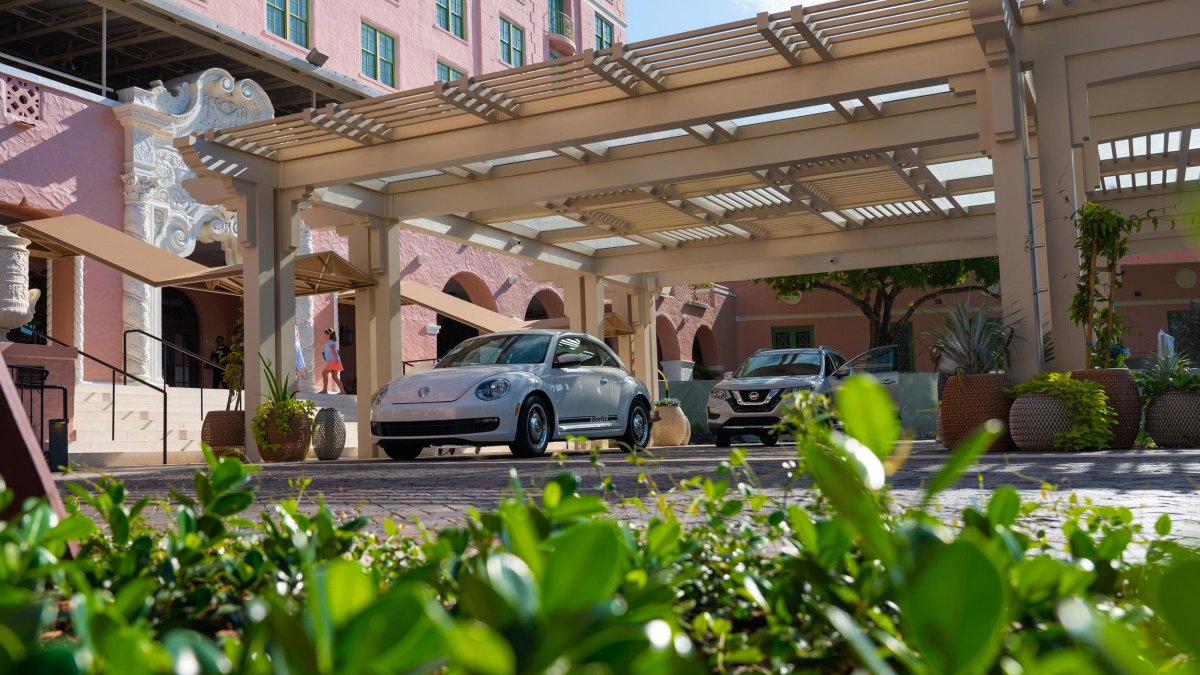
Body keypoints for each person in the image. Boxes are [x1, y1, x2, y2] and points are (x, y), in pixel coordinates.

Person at [320, 328, 345, 394]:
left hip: (333, 361)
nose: (324, 335)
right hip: (335, 361)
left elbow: (333, 350)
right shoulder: (331, 342)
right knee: (335, 377)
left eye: (325, 334)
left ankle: (325, 390)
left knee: (324, 373)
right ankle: (342, 391)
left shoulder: (330, 342)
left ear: (329, 335)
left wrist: (336, 359)